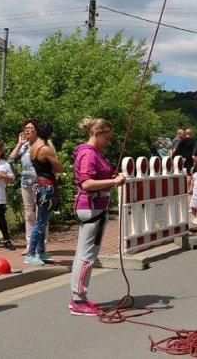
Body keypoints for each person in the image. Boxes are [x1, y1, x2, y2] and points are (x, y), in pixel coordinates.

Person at [70, 117, 125, 316]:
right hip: (91, 208)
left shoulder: (93, 153)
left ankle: (78, 297)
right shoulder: (88, 154)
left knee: (84, 255)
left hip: (94, 208)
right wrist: (114, 182)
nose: (108, 142)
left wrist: (111, 178)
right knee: (86, 257)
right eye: (107, 138)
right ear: (97, 133)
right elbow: (86, 184)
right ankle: (78, 299)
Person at [24, 121, 64, 266]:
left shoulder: (33, 147)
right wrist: (55, 165)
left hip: (40, 185)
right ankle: (30, 253)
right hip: (47, 187)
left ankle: (41, 252)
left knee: (42, 221)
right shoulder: (45, 149)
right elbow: (59, 168)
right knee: (40, 222)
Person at [9, 119, 41, 255]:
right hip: (26, 183)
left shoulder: (42, 144)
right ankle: (29, 244)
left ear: (37, 130)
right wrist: (19, 143)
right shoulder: (24, 145)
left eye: (30, 128)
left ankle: (40, 246)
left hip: (40, 183)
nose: (27, 130)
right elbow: (11, 159)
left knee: (41, 214)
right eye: (26, 128)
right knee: (29, 215)